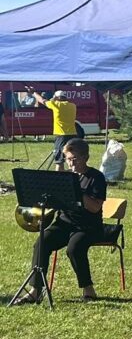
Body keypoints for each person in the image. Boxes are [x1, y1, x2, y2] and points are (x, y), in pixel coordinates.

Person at [15, 138, 106, 303]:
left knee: (74, 248)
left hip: (88, 226)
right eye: (68, 159)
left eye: (74, 159)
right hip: (64, 222)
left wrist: (78, 191)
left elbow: (95, 208)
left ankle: (88, 290)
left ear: (85, 157)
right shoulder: (65, 178)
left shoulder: (96, 177)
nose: (71, 163)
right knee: (41, 242)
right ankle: (36, 290)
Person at [26, 86, 77, 170]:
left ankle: (58, 178)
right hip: (73, 135)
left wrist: (33, 92)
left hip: (61, 136)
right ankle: (74, 176)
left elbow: (42, 100)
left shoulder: (56, 105)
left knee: (59, 160)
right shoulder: (73, 106)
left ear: (57, 98)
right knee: (71, 158)